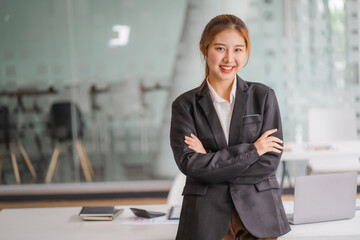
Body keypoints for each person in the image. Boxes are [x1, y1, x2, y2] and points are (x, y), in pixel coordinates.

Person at [170, 14, 291, 240]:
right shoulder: (185, 106)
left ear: (246, 52)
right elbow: (189, 163)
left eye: (237, 50)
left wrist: (210, 159)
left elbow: (269, 162)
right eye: (220, 48)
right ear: (204, 49)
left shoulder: (263, 97)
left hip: (259, 215)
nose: (229, 58)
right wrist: (253, 150)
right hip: (206, 218)